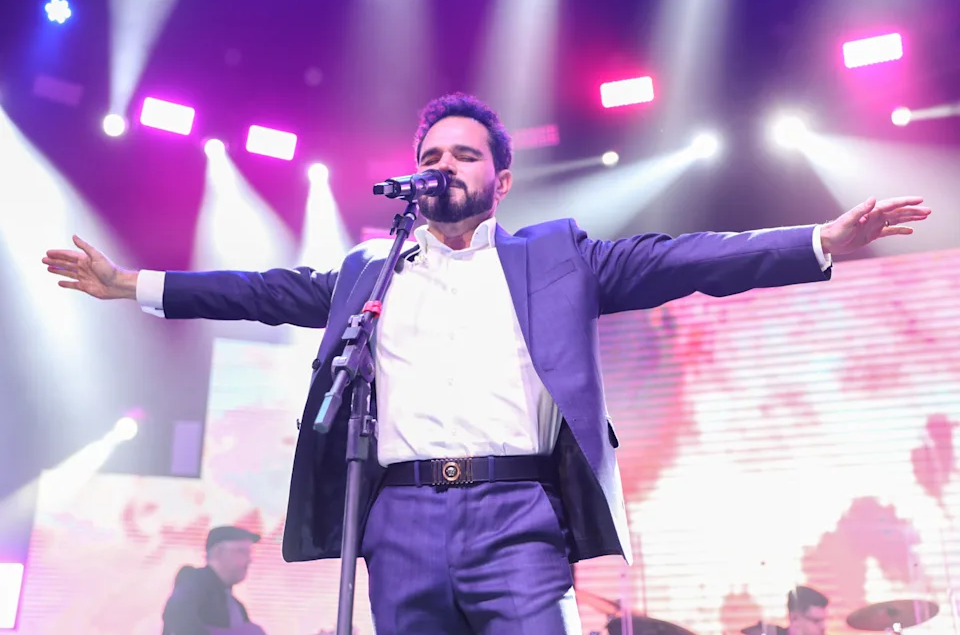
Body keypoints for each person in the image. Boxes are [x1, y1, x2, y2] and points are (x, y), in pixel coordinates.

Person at [43, 92, 930, 634]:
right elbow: (264, 290)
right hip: (400, 519)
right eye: (429, 157)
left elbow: (685, 261)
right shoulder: (370, 267)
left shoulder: (556, 256)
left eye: (463, 155)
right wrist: (135, 285)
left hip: (518, 516)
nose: (442, 168)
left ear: (501, 180)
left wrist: (818, 240)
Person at [161, 525, 267, 635]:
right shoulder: (195, 580)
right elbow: (177, 616)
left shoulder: (238, 607)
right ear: (219, 552)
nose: (249, 560)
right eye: (242, 551)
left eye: (250, 553)